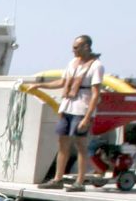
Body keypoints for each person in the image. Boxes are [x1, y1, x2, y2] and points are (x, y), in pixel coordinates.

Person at [30, 35, 106, 188]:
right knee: (62, 143)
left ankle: (80, 181)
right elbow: (62, 82)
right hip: (67, 106)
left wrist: (87, 117)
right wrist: (40, 86)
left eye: (76, 47)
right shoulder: (73, 63)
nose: (73, 50)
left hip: (81, 109)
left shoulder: (96, 66)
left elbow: (96, 93)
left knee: (80, 144)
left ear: (86, 47)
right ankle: (58, 179)